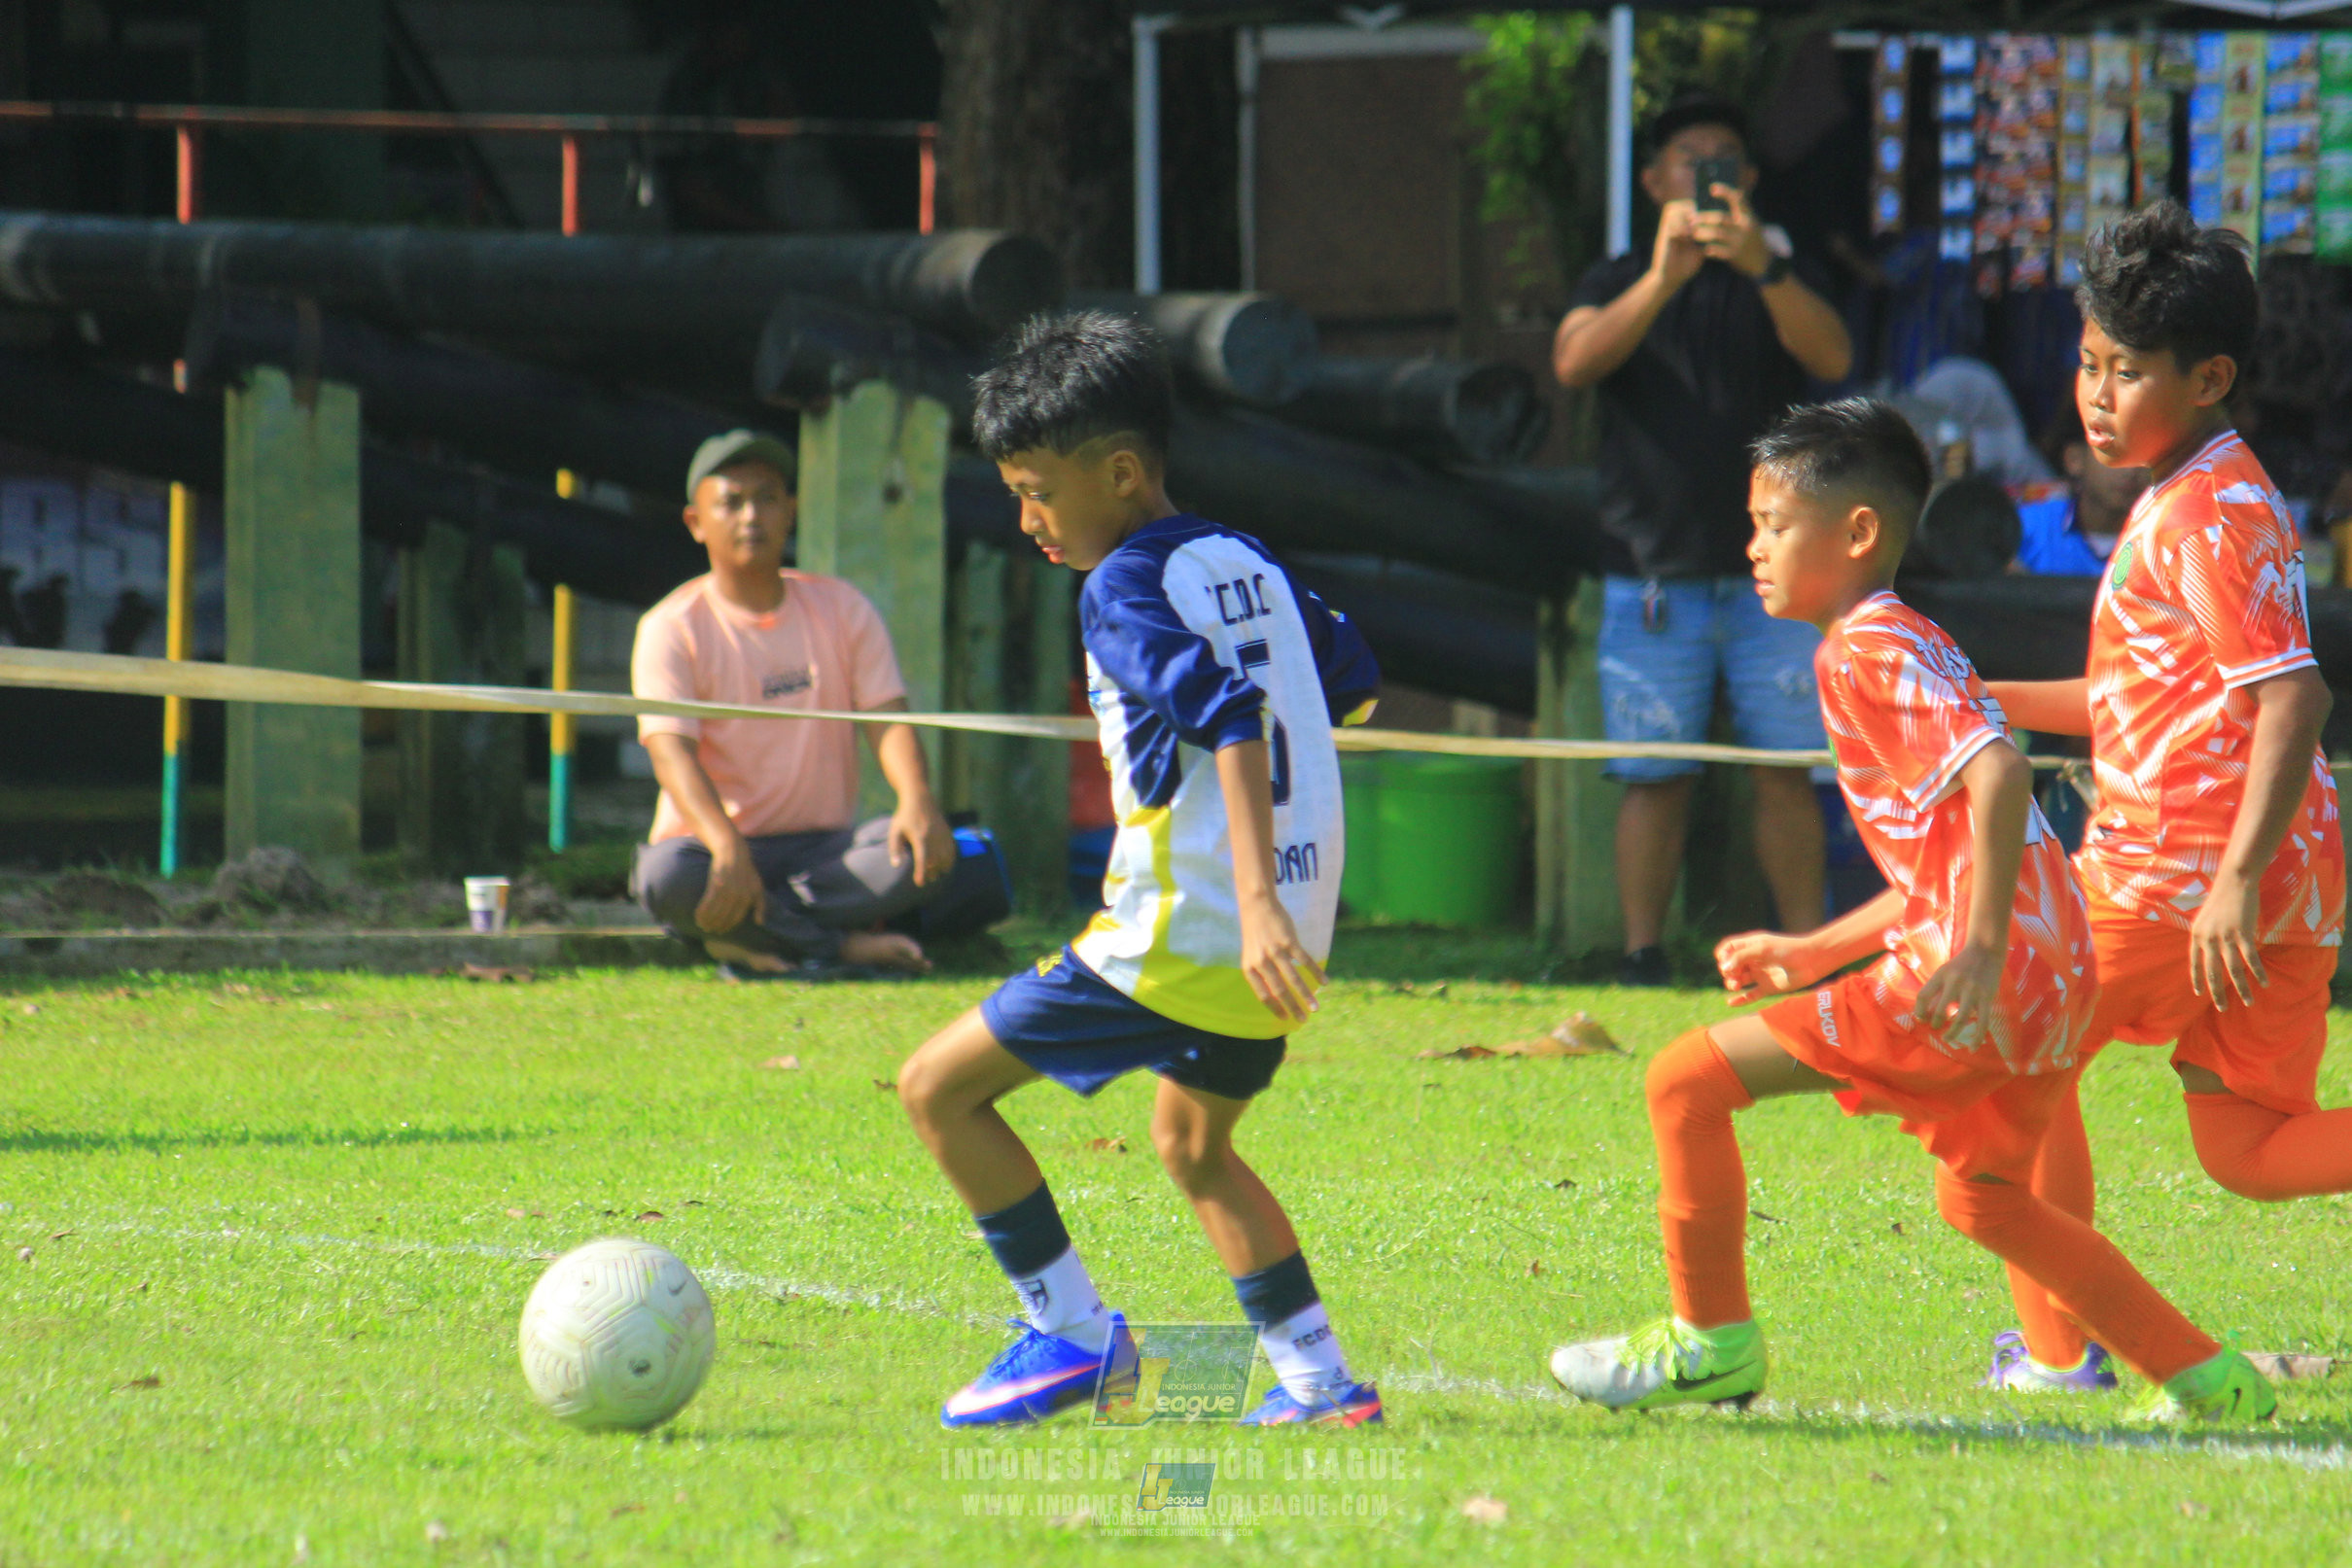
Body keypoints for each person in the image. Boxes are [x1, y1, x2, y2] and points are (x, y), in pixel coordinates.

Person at [1546, 398, 2273, 1424]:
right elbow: (1944, 856)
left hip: (1991, 968)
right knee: (1984, 1196)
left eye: (1771, 525)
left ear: (1855, 533)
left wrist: (1974, 948)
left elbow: (2001, 774)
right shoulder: (1911, 635)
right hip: (2056, 973)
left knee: (1683, 1081)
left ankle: (1710, 1342)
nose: (1751, 546)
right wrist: (1813, 949)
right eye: (1750, 524)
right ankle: (2208, 1376)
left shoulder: (1864, 652)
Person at [895, 311, 1386, 1428]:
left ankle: (1067, 1330)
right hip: (1293, 933)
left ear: (1118, 472)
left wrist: (1248, 894)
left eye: (1038, 490)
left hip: (1198, 929)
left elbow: (1223, 711)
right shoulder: (1243, 556)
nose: (1028, 518)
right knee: (1192, 1141)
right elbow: (1351, 677)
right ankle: (1320, 1383)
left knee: (936, 1087)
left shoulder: (1118, 586)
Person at [1984, 203, 2350, 1390]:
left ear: (2209, 378)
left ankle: (2056, 1353)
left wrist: (2228, 885)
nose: (2095, 393)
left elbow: (2294, 702)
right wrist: (1973, 694)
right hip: (2280, 875)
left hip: (2187, 876)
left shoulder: (2202, 510)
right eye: (2087, 362)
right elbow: (2133, 703)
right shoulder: (2208, 490)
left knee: (2009, 1062)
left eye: (2125, 371)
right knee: (2246, 1147)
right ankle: (2060, 1340)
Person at [1553, 92, 1857, 986]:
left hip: (1777, 580)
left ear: (1751, 180)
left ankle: (1807, 952)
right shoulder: (1618, 276)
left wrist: (1763, 267)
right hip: (1652, 575)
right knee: (1653, 773)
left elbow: (1834, 358)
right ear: (1654, 180)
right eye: (1691, 159)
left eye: (1725, 158)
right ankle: (1644, 953)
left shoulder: (1776, 275)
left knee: (1784, 770)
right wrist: (1661, 279)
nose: (1707, 174)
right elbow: (1573, 363)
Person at [630, 429, 956, 978]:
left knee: (915, 854)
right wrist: (727, 847)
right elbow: (671, 756)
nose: (751, 516)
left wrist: (917, 798)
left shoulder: (843, 609)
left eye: (767, 498)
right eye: (731, 502)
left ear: (792, 512)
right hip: (713, 846)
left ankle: (748, 938)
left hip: (824, 854)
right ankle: (841, 946)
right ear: (695, 523)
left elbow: (887, 720)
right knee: (665, 878)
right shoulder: (671, 627)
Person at [2011, 403, 2147, 576]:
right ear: (2074, 460)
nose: (2131, 470)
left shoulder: (2167, 541)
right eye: (2113, 451)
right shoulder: (2023, 528)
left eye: (2143, 454)